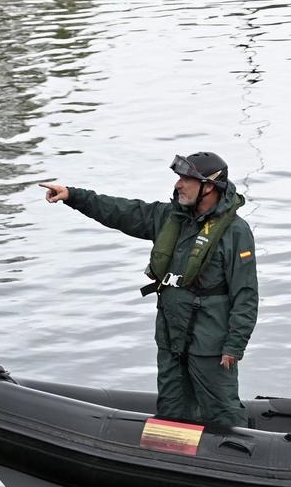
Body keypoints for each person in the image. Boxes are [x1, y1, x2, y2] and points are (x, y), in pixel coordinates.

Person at [41, 153, 258, 429]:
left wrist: (234, 345)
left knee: (222, 412)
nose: (179, 185)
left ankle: (235, 463)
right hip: (170, 338)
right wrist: (73, 195)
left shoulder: (236, 232)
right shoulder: (168, 217)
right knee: (171, 411)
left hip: (211, 345)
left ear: (210, 186)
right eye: (179, 178)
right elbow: (121, 211)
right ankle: (173, 466)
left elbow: (246, 294)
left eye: (186, 179)